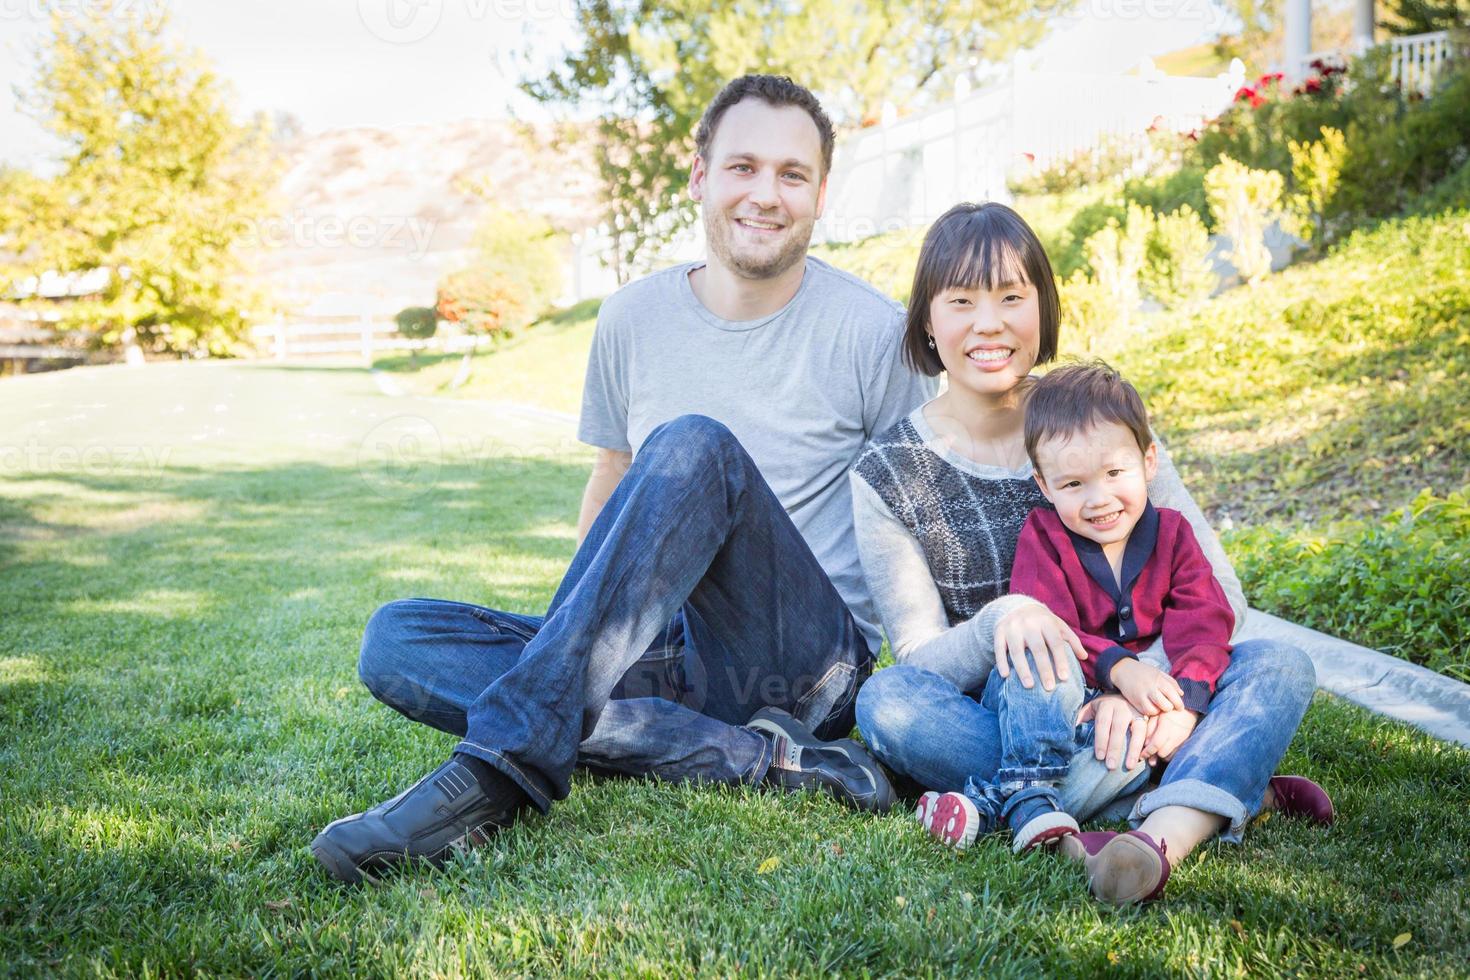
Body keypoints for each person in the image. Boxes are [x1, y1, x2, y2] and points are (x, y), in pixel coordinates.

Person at [310, 75, 935, 884]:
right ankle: (759, 761)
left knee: (695, 448)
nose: (766, 195)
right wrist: (575, 651)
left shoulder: (873, 330)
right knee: (397, 639)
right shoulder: (631, 319)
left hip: (801, 667)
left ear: (819, 194)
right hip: (661, 646)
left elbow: (922, 508)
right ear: (699, 176)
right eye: (743, 166)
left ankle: (494, 777)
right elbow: (610, 477)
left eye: (792, 175)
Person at [851, 202, 1333, 906]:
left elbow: (1217, 595)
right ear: (928, 318)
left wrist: (1149, 695)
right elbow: (923, 660)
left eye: (1013, 297)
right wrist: (1002, 623)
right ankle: (1209, 787)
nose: (989, 324)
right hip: (1015, 706)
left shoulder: (1099, 418)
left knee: (1278, 664)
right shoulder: (888, 475)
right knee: (887, 701)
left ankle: (1094, 813)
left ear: (1042, 308)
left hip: (1150, 688)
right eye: (961, 302)